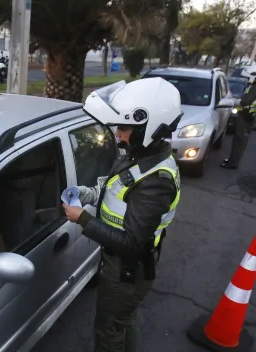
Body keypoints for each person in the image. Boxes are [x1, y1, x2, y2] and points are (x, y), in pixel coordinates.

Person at [62, 77, 182, 352]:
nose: (117, 133)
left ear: (146, 127)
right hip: (124, 265)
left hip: (128, 269)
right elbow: (119, 185)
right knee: (123, 322)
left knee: (109, 330)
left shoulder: (157, 181)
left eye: (124, 127)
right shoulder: (140, 154)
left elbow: (130, 242)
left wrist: (81, 218)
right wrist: (90, 193)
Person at [220, 69, 256, 169]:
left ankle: (232, 163)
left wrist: (235, 101)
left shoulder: (254, 88)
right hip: (248, 116)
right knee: (239, 140)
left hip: (246, 116)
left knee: (239, 141)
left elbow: (246, 101)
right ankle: (232, 160)